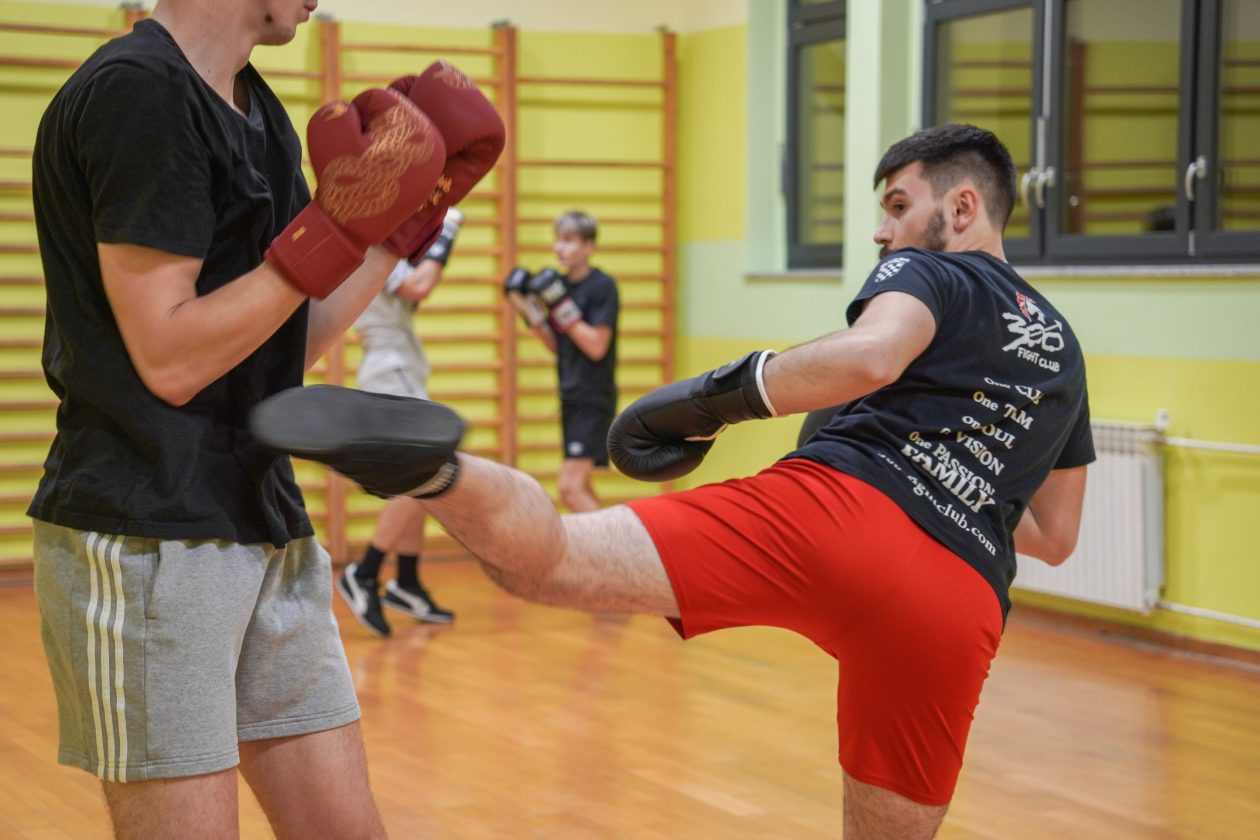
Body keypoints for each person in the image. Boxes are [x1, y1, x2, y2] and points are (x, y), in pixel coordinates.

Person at [251, 124, 1093, 839]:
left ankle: (436, 471)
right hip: (959, 598)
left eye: (898, 206)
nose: (884, 231)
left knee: (552, 560)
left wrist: (712, 400)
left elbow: (871, 356)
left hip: (842, 513)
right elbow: (1053, 537)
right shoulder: (1065, 350)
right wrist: (961, 485)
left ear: (964, 206)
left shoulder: (935, 271)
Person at [27, 1, 504, 834]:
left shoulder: (259, 108)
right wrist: (330, 227)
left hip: (263, 523)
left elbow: (286, 343)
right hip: (148, 534)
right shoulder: (137, 93)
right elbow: (172, 358)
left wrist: (394, 230)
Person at [340, 209, 464, 636]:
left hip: (403, 367)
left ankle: (406, 582)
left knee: (426, 478)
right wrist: (446, 233)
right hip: (388, 370)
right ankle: (365, 572)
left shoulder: (387, 244)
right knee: (426, 472)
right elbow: (419, 285)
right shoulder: (374, 244)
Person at [504, 211, 620, 512]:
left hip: (593, 398)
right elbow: (560, 346)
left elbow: (596, 346)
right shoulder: (562, 287)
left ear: (588, 246)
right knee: (581, 486)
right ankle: (609, 551)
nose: (559, 247)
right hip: (570, 395)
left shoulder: (601, 286)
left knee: (569, 488)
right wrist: (528, 309)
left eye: (568, 240)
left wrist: (560, 306)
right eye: (557, 240)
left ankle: (611, 554)